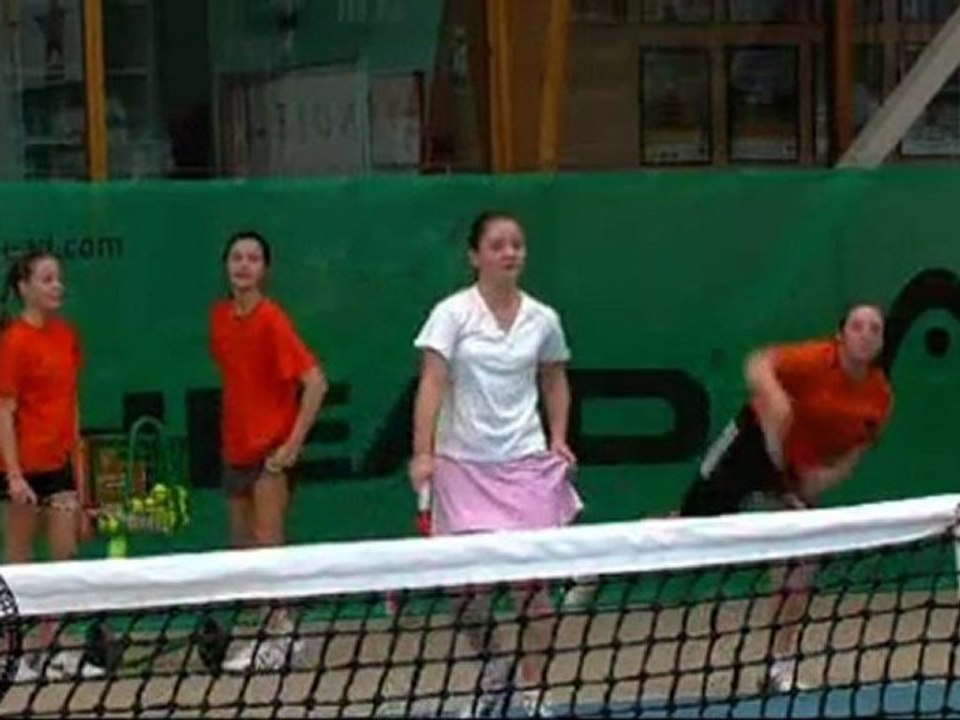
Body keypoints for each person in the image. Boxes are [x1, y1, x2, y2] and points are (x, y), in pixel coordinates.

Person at [409, 211, 581, 717]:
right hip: (462, 466)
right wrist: (423, 452)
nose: (510, 253)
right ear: (475, 256)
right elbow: (433, 383)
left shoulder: (543, 319)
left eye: (517, 245)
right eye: (498, 245)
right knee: (463, 593)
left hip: (525, 464)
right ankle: (492, 666)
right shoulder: (451, 314)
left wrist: (559, 439)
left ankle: (532, 692)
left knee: (535, 593)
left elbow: (554, 379)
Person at [679, 303, 893, 692]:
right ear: (841, 335)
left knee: (800, 568)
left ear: (880, 342)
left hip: (796, 470)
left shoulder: (878, 398)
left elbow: (850, 457)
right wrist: (776, 398)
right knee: (683, 529)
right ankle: (599, 563)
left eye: (874, 329)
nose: (865, 334)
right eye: (858, 326)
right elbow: (757, 363)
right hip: (750, 446)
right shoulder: (814, 359)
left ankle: (780, 667)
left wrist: (811, 483)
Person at [209, 230, 328, 671]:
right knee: (244, 550)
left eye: (253, 258)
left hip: (269, 455)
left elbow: (315, 381)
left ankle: (281, 636)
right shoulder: (220, 318)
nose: (243, 265)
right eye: (236, 257)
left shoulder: (272, 319)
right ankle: (276, 629)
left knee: (268, 546)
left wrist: (292, 444)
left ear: (265, 269)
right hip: (235, 450)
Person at [0, 250, 104, 680]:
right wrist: (14, 474)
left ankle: (51, 650)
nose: (56, 286)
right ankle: (15, 655)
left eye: (58, 279)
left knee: (63, 558)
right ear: (25, 288)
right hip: (20, 469)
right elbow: (4, 411)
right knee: (20, 563)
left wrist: (79, 475)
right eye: (46, 279)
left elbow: (71, 405)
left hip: (60, 467)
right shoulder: (13, 342)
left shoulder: (67, 337)